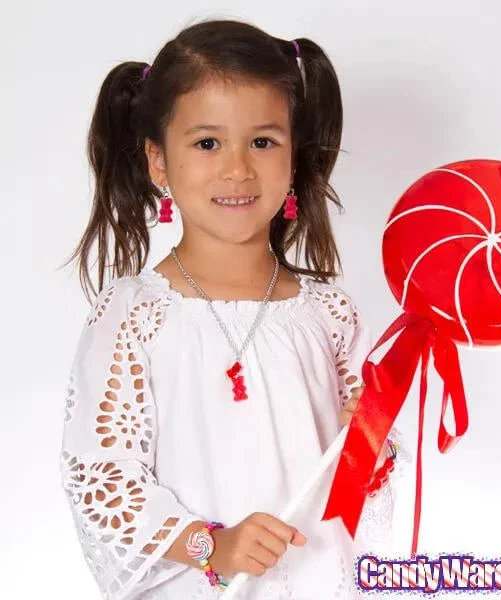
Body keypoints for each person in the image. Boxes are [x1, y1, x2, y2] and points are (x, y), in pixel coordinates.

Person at [59, 18, 410, 600]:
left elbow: (364, 465)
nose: (238, 169)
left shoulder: (329, 314)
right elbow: (104, 478)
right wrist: (211, 545)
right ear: (158, 161)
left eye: (263, 142)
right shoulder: (135, 315)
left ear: (293, 156)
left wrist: (372, 447)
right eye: (207, 143)